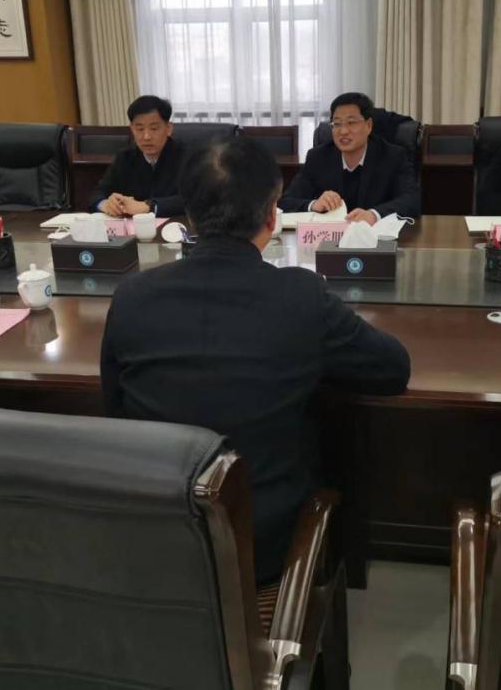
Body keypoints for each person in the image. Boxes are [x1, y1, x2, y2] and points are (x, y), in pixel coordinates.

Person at [101, 137, 411, 583]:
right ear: (271, 216)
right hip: (263, 544)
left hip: (159, 532)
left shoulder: (132, 295)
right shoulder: (300, 295)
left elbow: (115, 409)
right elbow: (392, 369)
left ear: (189, 217)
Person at [279, 92, 421, 223]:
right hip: (330, 238)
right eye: (337, 124)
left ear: (369, 125)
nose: (343, 131)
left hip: (375, 238)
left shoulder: (392, 157)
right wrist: (314, 204)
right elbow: (285, 201)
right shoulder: (318, 157)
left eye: (351, 123)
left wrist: (374, 215)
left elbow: (412, 200)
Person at [88, 95, 185, 216]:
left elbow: (194, 198)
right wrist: (106, 204)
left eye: (154, 128)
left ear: (169, 128)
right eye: (139, 129)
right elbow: (97, 194)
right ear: (132, 129)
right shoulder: (124, 158)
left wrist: (149, 207)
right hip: (130, 226)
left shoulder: (186, 156)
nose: (146, 137)